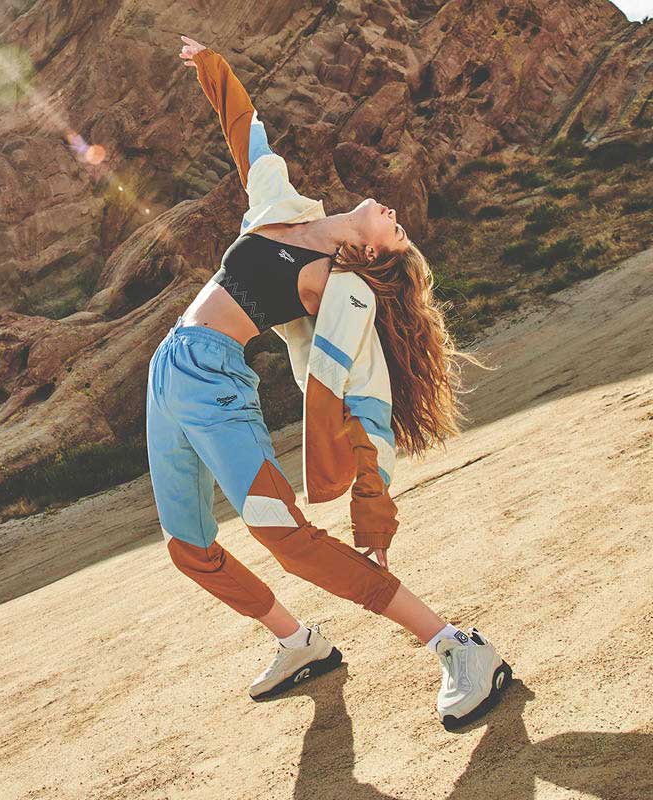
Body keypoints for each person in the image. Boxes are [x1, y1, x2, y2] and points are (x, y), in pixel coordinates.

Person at [144, 35, 512, 730]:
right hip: (167, 370)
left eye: (398, 236)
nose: (396, 220)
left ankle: (456, 644)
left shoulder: (343, 291)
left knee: (283, 536)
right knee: (187, 548)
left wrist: (373, 510)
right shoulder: (286, 211)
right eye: (399, 227)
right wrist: (213, 68)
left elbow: (365, 391)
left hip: (216, 382)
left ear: (369, 253)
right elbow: (249, 141)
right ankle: (298, 642)